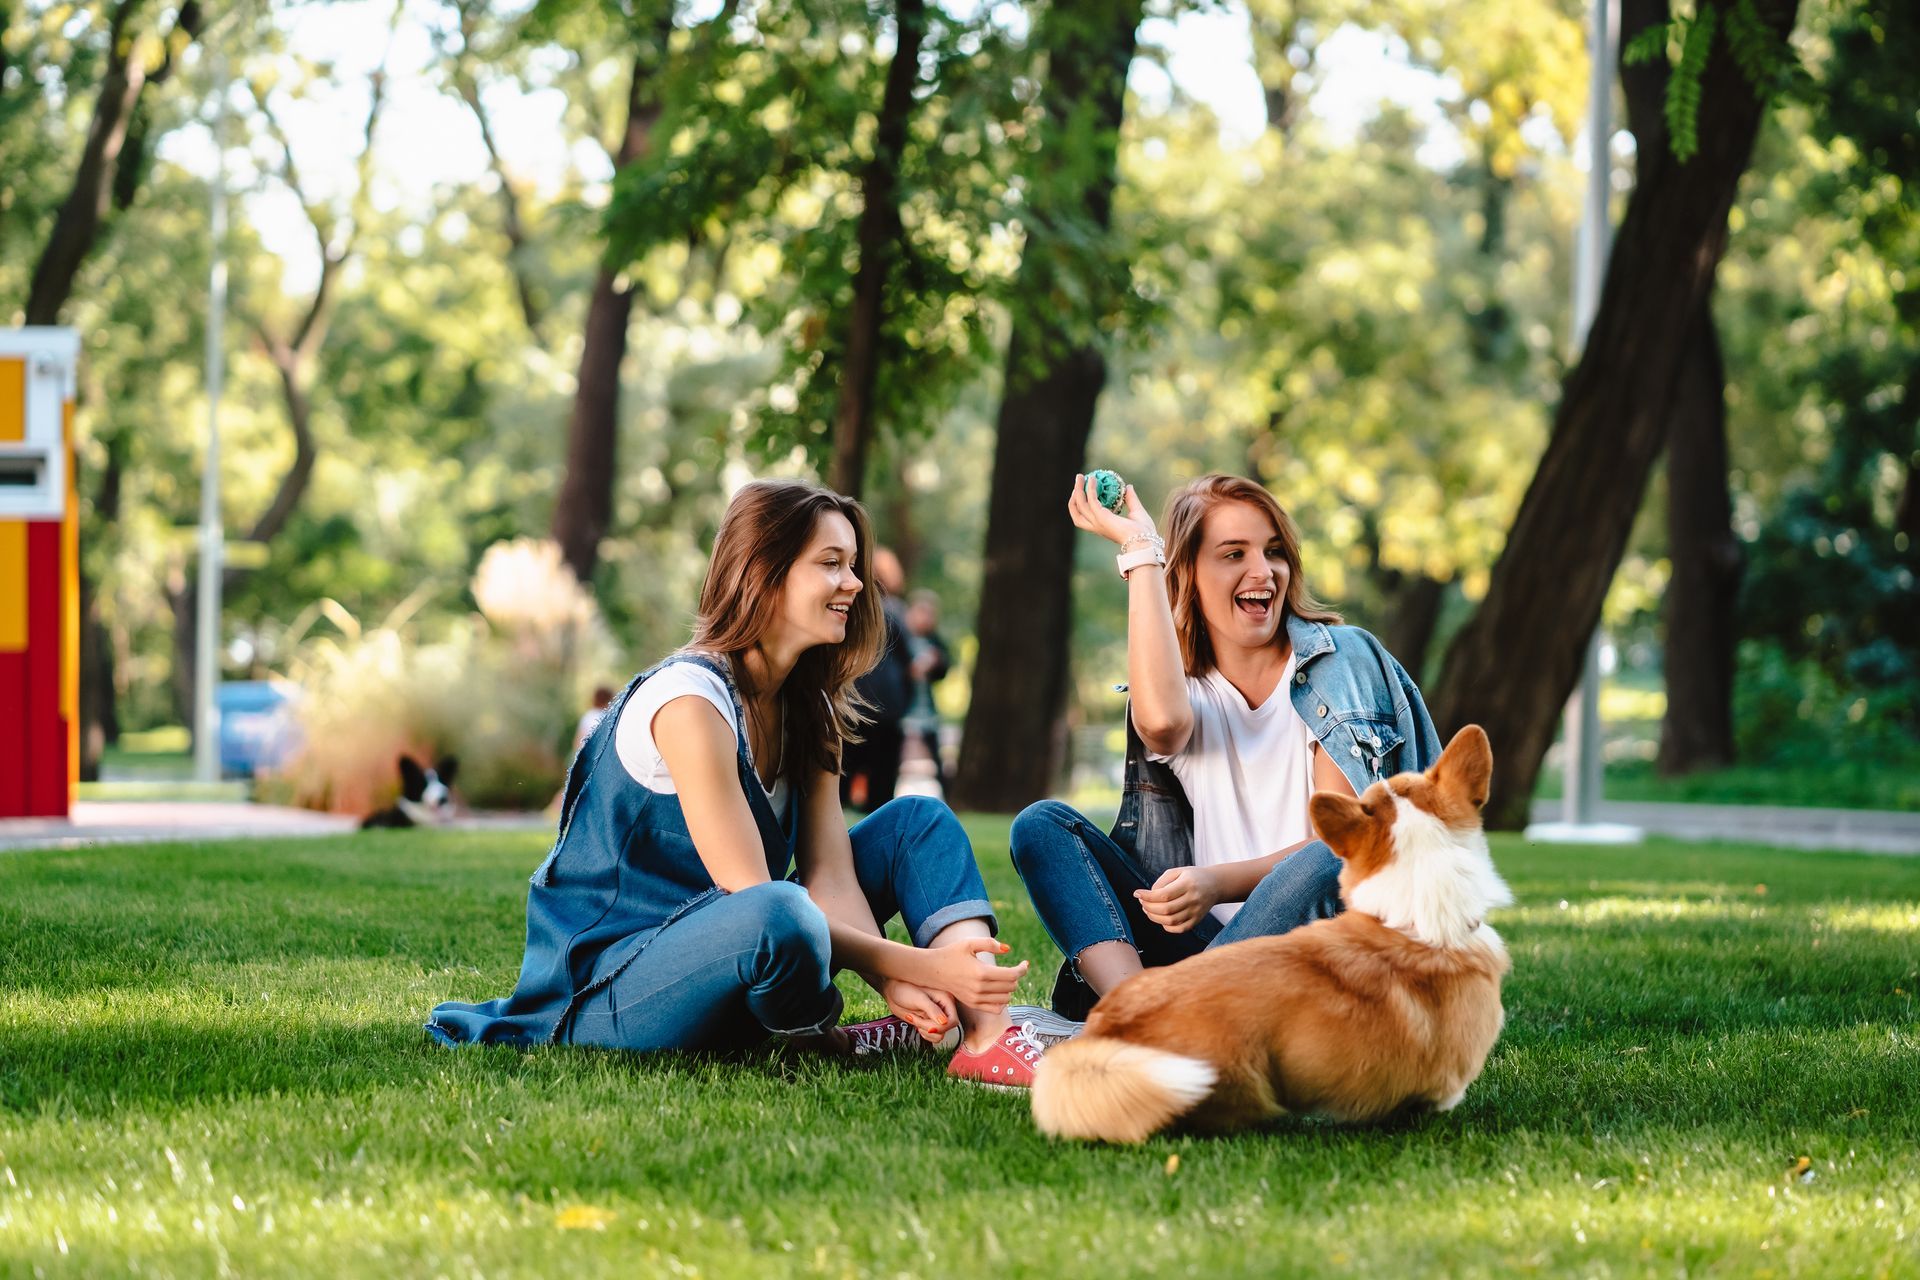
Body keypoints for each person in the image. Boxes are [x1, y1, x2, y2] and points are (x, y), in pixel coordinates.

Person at [430, 481, 1053, 1086]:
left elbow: (831, 876)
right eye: (831, 563)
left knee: (917, 822)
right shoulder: (688, 701)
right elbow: (753, 899)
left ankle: (986, 1034)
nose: (856, 584)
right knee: (779, 911)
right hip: (611, 988)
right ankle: (811, 1039)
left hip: (733, 952)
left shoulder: (810, 706)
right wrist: (915, 965)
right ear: (766, 573)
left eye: (854, 564)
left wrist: (897, 984)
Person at [1010, 473, 1443, 1020]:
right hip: (1210, 953)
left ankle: (1169, 1023)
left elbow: (1341, 848)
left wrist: (1217, 882)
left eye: (1275, 551)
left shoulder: (1340, 662)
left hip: (1319, 950)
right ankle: (1142, 1014)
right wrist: (1141, 550)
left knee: (1316, 860)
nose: (1263, 572)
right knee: (1041, 826)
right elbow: (1163, 724)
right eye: (1233, 554)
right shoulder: (1179, 690)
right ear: (1189, 572)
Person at [839, 547, 912, 812]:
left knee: (843, 776)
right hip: (887, 705)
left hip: (852, 700)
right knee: (882, 783)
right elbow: (908, 661)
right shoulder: (896, 612)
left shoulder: (846, 609)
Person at [902, 590, 953, 795]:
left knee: (936, 756)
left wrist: (935, 662)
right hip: (902, 707)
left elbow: (943, 670)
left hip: (925, 707)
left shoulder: (934, 642)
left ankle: (948, 794)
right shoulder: (901, 637)